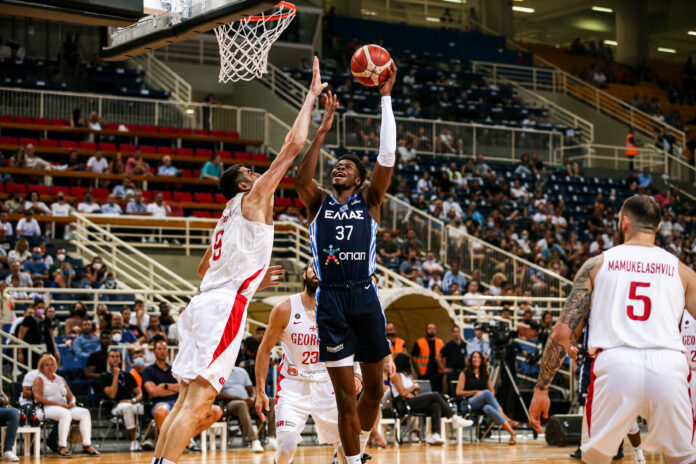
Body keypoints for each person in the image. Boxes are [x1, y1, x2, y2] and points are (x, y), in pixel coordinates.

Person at [152, 57, 326, 464]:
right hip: (223, 307)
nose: (258, 173)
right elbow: (293, 146)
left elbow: (203, 269)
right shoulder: (254, 197)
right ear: (245, 183)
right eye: (251, 171)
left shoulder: (225, 217)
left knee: (186, 399)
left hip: (203, 303)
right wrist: (310, 97)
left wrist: (247, 279)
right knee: (200, 400)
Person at [529, 195, 696, 464]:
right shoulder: (683, 272)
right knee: (684, 459)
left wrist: (541, 390)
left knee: (595, 459)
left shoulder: (596, 265)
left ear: (624, 222)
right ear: (657, 227)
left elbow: (562, 334)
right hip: (668, 367)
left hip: (616, 365)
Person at [294, 62, 398, 464]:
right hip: (332, 300)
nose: (340, 166)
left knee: (374, 391)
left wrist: (385, 99)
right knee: (344, 396)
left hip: (365, 296)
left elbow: (387, 155)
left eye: (348, 166)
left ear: (359, 179)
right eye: (337, 165)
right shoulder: (318, 202)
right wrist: (321, 131)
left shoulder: (369, 200)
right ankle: (352, 461)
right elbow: (301, 180)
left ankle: (359, 445)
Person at [255, 261, 365, 463]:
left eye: (323, 267)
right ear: (304, 274)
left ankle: (340, 456)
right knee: (286, 447)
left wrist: (357, 373)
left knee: (348, 445)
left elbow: (354, 345)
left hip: (329, 384)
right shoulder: (284, 308)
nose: (317, 270)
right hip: (293, 385)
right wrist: (260, 390)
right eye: (313, 266)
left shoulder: (340, 309)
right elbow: (264, 350)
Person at [143, 340, 222, 450]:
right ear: (154, 352)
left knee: (216, 411)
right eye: (159, 349)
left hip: (182, 401)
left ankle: (186, 439)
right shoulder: (148, 371)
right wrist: (176, 388)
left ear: (167, 351)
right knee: (161, 411)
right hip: (161, 403)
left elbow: (186, 388)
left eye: (164, 349)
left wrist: (165, 386)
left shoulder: (175, 370)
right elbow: (154, 392)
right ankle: (169, 443)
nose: (162, 351)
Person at [391, 353, 472, 445]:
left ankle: (435, 434)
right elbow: (402, 393)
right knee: (435, 395)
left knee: (435, 405)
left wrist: (411, 391)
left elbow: (415, 392)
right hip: (403, 403)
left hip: (412, 400)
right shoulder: (396, 375)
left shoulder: (409, 376)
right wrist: (413, 388)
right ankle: (454, 417)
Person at [33, 354, 99, 457]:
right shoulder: (39, 379)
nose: (50, 367)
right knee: (65, 413)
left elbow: (71, 396)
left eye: (52, 364)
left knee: (85, 412)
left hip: (63, 407)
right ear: (41, 367)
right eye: (47, 365)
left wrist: (72, 402)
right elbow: (38, 398)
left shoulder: (60, 379)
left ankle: (86, 445)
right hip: (45, 408)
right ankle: (62, 446)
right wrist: (57, 404)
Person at [456, 351, 519, 444]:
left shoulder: (485, 373)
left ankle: (512, 434)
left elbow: (492, 392)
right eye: (474, 357)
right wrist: (476, 392)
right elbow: (458, 392)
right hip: (468, 403)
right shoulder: (465, 372)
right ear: (471, 359)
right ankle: (507, 419)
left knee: (488, 408)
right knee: (486, 393)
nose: (476, 359)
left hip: (482, 404)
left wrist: (484, 396)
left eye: (478, 357)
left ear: (482, 360)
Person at [98, 349, 143, 451]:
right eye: (112, 356)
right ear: (107, 360)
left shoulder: (127, 375)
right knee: (127, 408)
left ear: (120, 360)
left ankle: (151, 440)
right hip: (116, 405)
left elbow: (140, 393)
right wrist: (116, 375)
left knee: (153, 408)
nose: (115, 359)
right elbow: (112, 395)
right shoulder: (104, 376)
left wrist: (133, 400)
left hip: (132, 403)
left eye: (117, 357)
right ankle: (134, 440)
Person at [217, 366, 268, 452]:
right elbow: (219, 394)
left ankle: (272, 438)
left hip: (247, 402)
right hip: (230, 403)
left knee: (271, 401)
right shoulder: (218, 372)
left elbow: (251, 390)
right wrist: (241, 399)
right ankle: (254, 441)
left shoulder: (241, 371)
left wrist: (252, 399)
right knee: (241, 404)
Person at [411, 323, 445, 394]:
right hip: (424, 374)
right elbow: (414, 358)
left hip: (438, 373)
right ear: (426, 330)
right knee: (425, 393)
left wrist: (443, 369)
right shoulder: (419, 342)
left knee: (437, 393)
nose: (432, 330)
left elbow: (445, 357)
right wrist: (418, 372)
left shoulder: (440, 342)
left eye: (433, 328)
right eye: (430, 328)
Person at [439, 326, 468, 396]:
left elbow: (467, 358)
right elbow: (438, 356)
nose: (456, 333)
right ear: (452, 333)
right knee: (452, 391)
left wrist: (467, 368)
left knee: (463, 389)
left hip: (462, 372)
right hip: (452, 372)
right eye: (455, 332)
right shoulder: (448, 345)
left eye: (458, 331)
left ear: (460, 333)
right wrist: (443, 369)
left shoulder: (465, 345)